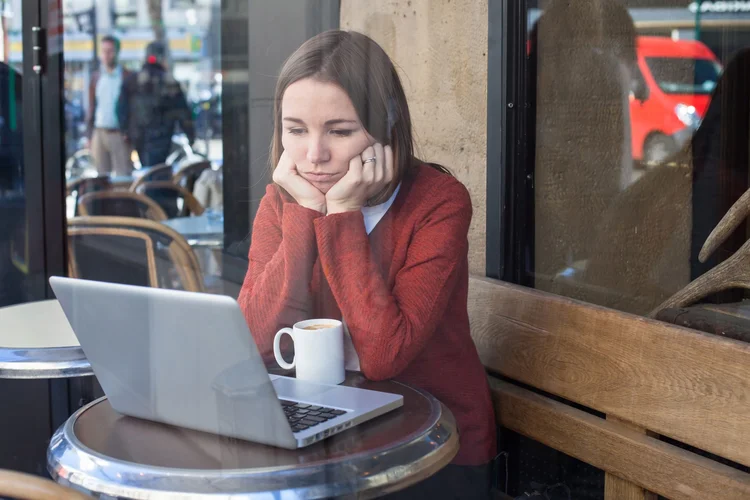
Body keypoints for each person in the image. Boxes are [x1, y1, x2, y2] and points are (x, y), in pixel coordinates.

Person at [238, 30, 496, 499]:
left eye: (340, 131)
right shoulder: (284, 200)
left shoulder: (439, 202)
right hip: (329, 439)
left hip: (429, 447)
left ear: (386, 125)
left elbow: (382, 355)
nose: (314, 156)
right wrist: (302, 213)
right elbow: (255, 339)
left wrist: (342, 216)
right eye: (295, 130)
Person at [117, 41, 195, 167]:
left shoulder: (132, 81)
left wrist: (125, 131)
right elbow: (183, 112)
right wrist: (190, 136)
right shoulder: (170, 82)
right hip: (162, 137)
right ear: (163, 58)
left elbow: (121, 109)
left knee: (147, 169)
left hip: (139, 136)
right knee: (158, 170)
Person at [85, 35, 133, 176]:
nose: (106, 55)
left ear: (117, 52)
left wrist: (129, 132)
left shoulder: (126, 76)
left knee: (123, 175)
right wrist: (89, 134)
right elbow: (92, 106)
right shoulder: (96, 77)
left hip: (119, 134)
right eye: (104, 51)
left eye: (110, 51)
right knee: (101, 177)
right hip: (99, 132)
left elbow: (132, 108)